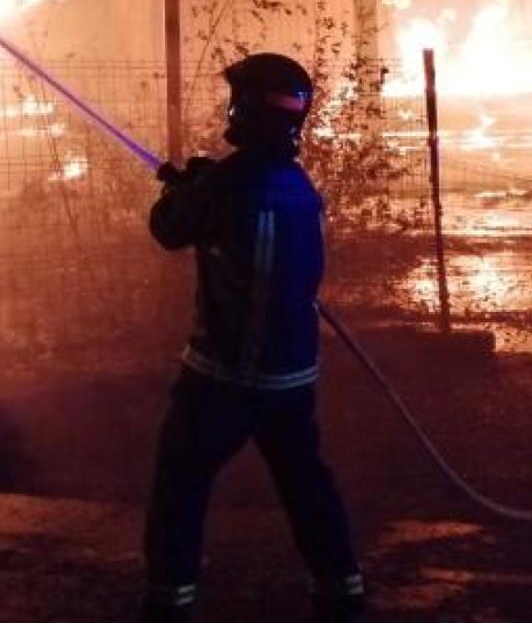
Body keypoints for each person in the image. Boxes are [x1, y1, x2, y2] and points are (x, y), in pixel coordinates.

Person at [138, 53, 364, 623]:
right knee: (305, 482)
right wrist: (201, 185)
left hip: (224, 379)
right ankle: (342, 595)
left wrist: (184, 192)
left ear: (248, 108)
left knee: (180, 482)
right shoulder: (297, 184)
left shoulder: (230, 183)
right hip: (291, 377)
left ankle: (169, 605)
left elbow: (167, 229)